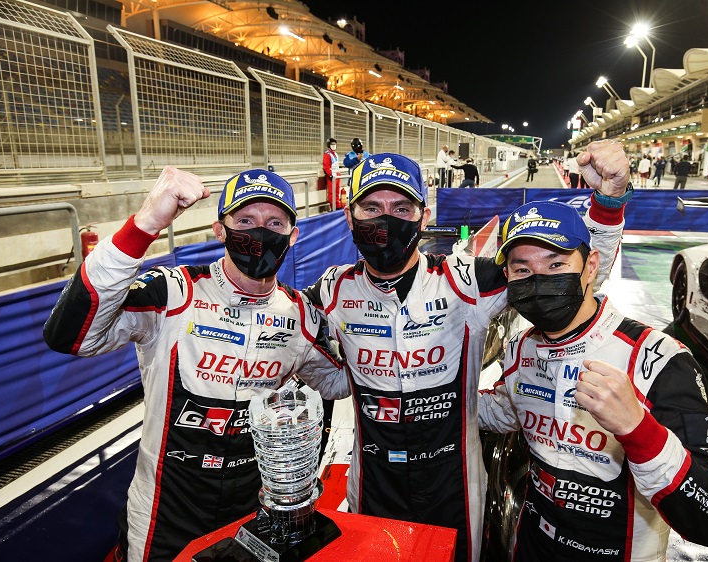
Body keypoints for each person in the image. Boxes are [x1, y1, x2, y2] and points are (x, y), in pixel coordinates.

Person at [302, 140, 632, 562]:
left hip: (454, 484)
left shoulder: (465, 280)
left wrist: (608, 204)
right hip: (373, 482)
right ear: (350, 216)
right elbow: (288, 337)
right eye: (371, 207)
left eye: (401, 208)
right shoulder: (332, 288)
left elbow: (569, 279)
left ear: (424, 216)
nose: (386, 219)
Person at [42, 166, 349, 562]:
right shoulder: (173, 292)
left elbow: (338, 383)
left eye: (275, 223)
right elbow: (72, 335)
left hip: (253, 508)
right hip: (166, 509)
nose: (260, 232)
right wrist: (146, 223)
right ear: (220, 230)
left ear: (293, 235)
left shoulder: (301, 314)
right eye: (245, 221)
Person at [478, 199, 708, 561]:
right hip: (531, 547)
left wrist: (637, 429)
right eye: (522, 269)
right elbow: (504, 412)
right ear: (508, 276)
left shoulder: (658, 358)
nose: (539, 280)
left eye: (556, 264)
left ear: (590, 266)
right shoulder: (520, 348)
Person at [322, 137, 343, 210]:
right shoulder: (327, 154)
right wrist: (330, 175)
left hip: (337, 175)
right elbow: (326, 167)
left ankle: (337, 205)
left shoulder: (335, 154)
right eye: (332, 144)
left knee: (337, 191)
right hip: (332, 176)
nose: (334, 146)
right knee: (332, 192)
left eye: (335, 144)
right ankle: (333, 206)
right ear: (329, 145)